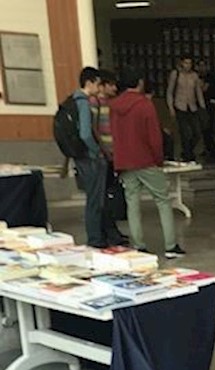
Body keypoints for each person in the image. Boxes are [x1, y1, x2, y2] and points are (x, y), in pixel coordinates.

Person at [111, 67, 185, 258]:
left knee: (132, 202)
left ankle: (138, 245)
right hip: (146, 159)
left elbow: (113, 135)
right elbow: (154, 137)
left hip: (125, 162)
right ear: (139, 82)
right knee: (162, 200)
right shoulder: (144, 104)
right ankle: (170, 246)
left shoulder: (114, 106)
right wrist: (159, 159)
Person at [88, 69, 128, 246]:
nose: (114, 87)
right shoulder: (94, 102)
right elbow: (94, 128)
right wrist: (102, 150)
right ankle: (102, 234)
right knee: (103, 196)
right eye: (111, 84)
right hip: (104, 154)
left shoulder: (112, 103)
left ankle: (112, 232)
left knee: (109, 195)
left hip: (113, 154)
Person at [72, 66, 107, 248]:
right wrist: (96, 151)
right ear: (89, 82)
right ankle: (95, 239)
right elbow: (85, 133)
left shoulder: (73, 99)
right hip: (89, 158)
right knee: (94, 200)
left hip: (79, 156)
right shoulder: (84, 103)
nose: (99, 88)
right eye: (98, 83)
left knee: (91, 198)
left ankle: (96, 237)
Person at [166, 55, 206, 163]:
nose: (188, 65)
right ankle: (187, 154)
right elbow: (170, 92)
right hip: (180, 105)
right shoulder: (176, 74)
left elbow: (198, 92)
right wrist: (171, 107)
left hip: (192, 106)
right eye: (186, 63)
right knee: (185, 133)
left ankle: (188, 150)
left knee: (197, 132)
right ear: (181, 63)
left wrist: (203, 107)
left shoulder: (194, 76)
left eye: (190, 63)